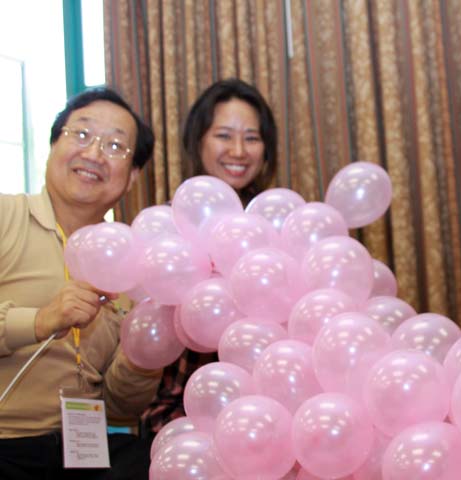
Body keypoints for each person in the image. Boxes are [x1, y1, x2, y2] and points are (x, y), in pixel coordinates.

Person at [0, 88, 160, 479]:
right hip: (7, 443)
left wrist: (143, 356)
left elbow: (120, 408)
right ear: (53, 145)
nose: (94, 154)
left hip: (82, 449)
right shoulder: (6, 216)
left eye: (115, 146)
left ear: (132, 175)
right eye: (82, 134)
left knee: (156, 459)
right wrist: (40, 320)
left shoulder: (132, 264)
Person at [141, 78, 278, 436]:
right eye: (224, 135)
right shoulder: (167, 228)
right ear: (198, 141)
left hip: (268, 417)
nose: (239, 150)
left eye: (252, 138)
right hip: (182, 414)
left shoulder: (275, 225)